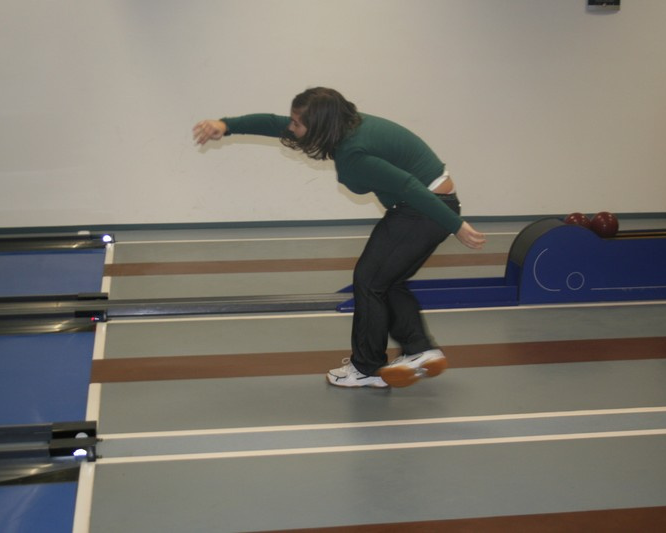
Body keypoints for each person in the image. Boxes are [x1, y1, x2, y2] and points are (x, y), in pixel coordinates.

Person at [193, 87, 486, 388]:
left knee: (369, 281)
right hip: (427, 205)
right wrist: (226, 125)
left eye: (297, 123)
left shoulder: (352, 153)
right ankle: (419, 349)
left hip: (424, 209)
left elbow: (408, 185)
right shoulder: (346, 124)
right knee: (385, 280)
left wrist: (455, 225)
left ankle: (367, 368)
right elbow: (274, 123)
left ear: (319, 126)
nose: (290, 128)